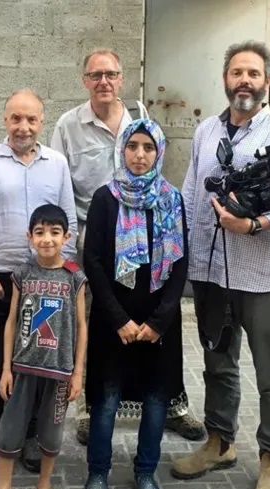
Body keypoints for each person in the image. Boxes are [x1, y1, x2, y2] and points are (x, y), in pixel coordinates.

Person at [170, 40, 270, 489]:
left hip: (265, 275)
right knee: (217, 363)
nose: (244, 81)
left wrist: (253, 225)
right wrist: (183, 257)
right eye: (236, 73)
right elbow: (191, 193)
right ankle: (219, 441)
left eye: (253, 73)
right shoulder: (207, 130)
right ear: (226, 79)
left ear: (267, 81)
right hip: (211, 273)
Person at [50, 47, 205, 445]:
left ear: (121, 79)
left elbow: (153, 171)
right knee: (97, 325)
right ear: (85, 80)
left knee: (158, 325)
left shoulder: (139, 119)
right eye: (95, 74)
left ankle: (171, 405)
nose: (104, 81)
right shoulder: (68, 126)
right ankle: (91, 407)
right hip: (95, 233)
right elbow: (59, 187)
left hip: (149, 234)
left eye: (111, 74)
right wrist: (67, 251)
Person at [0, 89, 78, 483]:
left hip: (46, 289)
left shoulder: (56, 164)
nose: (23, 127)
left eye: (31, 119)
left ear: (42, 122)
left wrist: (62, 274)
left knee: (38, 367)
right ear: (4, 119)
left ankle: (28, 437)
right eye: (15, 118)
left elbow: (69, 225)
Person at [81, 118, 188, 489]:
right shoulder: (105, 199)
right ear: (122, 150)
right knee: (105, 400)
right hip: (115, 321)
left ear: (158, 152)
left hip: (159, 323)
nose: (140, 155)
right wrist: (118, 319)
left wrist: (159, 322)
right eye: (133, 147)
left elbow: (180, 265)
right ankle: (98, 470)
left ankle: (146, 471)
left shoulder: (171, 199)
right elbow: (92, 261)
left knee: (156, 401)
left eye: (148, 147)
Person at [0, 204, 87, 489]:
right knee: (9, 429)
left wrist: (77, 373)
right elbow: (12, 322)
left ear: (66, 237)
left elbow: (83, 327)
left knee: (51, 433)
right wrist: (5, 368)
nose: (47, 240)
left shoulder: (76, 278)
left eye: (55, 233)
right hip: (23, 368)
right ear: (29, 237)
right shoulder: (22, 275)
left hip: (58, 372)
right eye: (40, 233)